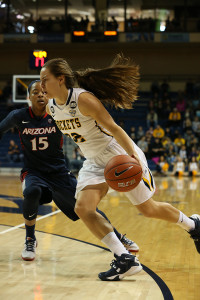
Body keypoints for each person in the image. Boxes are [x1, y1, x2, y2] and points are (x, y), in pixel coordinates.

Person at [40, 54, 200, 281]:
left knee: (148, 210)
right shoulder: (51, 107)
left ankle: (193, 225)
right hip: (93, 161)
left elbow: (115, 129)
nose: (41, 84)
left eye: (45, 79)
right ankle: (125, 258)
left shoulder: (83, 99)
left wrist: (134, 157)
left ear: (61, 79)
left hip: (118, 156)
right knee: (83, 209)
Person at [0, 80, 139, 261]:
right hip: (33, 171)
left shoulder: (56, 114)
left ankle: (118, 236)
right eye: (35, 92)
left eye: (43, 91)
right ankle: (30, 238)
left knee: (87, 208)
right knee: (31, 191)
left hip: (59, 172)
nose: (40, 95)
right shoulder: (18, 116)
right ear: (28, 97)